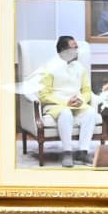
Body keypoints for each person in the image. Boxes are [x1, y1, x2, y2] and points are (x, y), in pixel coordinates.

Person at [37, 35, 100, 167]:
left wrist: (81, 100)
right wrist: (66, 101)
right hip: (56, 105)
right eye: (74, 47)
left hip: (77, 105)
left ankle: (83, 152)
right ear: (64, 50)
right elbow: (43, 95)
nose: (77, 50)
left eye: (77, 47)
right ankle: (67, 152)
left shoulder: (80, 67)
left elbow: (87, 91)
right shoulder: (49, 68)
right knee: (65, 112)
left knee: (90, 112)